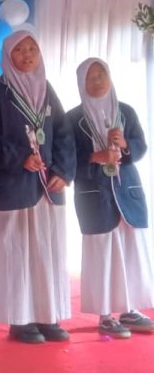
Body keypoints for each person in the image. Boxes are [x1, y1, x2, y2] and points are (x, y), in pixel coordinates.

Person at [0, 30, 75, 344]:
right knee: (15, 254)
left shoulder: (46, 88)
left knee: (48, 252)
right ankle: (20, 320)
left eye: (33, 49)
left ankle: (48, 315)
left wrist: (63, 171)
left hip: (47, 187)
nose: (28, 55)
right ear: (8, 55)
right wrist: (19, 157)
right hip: (12, 187)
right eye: (20, 50)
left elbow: (63, 132)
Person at [68, 58, 154, 337]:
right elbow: (67, 158)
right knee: (102, 254)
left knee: (130, 251)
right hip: (95, 194)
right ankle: (105, 315)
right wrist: (96, 156)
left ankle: (130, 309)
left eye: (101, 74)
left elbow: (141, 147)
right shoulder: (73, 119)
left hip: (126, 191)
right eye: (90, 77)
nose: (97, 81)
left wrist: (125, 144)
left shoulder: (125, 112)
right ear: (81, 82)